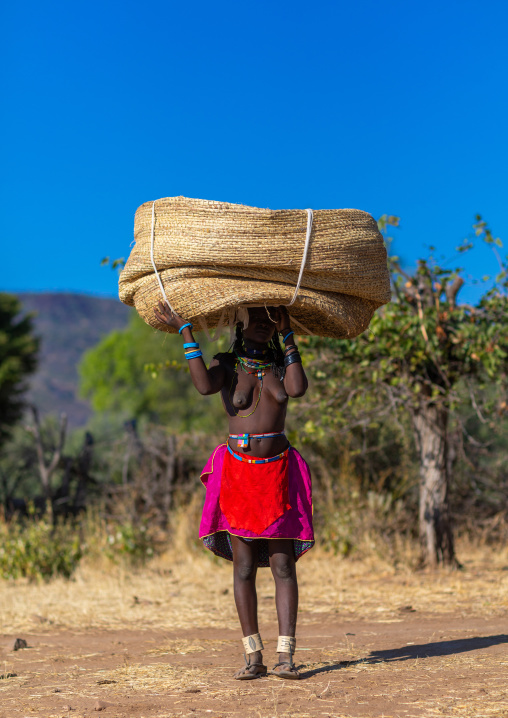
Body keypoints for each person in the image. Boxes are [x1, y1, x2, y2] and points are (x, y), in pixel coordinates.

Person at [154, 302, 314, 680]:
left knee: (282, 565)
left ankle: (286, 656)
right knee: (243, 567)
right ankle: (252, 655)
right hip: (240, 475)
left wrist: (288, 332)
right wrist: (185, 331)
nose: (262, 324)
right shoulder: (227, 365)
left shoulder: (280, 367)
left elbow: (298, 388)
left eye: (269, 319)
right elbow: (204, 386)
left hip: (277, 476)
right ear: (239, 325)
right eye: (254, 318)